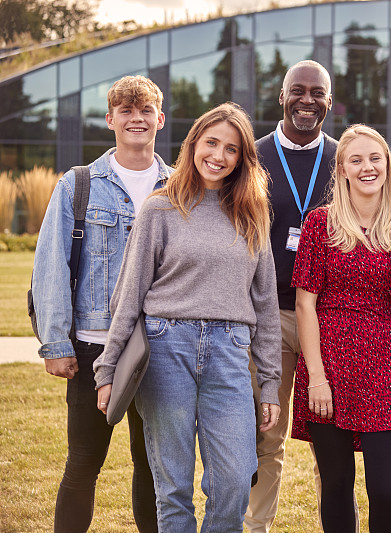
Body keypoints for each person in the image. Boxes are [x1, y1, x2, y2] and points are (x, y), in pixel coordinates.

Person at [93, 102, 282, 531]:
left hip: (230, 351)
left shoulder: (253, 213)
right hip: (165, 348)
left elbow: (266, 304)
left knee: (235, 479)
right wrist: (108, 368)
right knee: (173, 487)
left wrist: (270, 384)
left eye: (231, 149)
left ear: (242, 158)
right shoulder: (160, 209)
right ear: (193, 142)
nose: (218, 155)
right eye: (211, 142)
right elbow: (129, 294)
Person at [32, 75, 168, 533]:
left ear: (160, 120)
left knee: (153, 468)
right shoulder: (79, 185)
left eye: (145, 110)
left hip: (163, 347)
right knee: (83, 463)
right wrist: (56, 343)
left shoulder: (178, 186)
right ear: (110, 119)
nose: (136, 118)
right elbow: (49, 264)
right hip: (95, 347)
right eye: (126, 111)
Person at [291, 124, 391, 533]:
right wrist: (316, 378)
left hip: (383, 365)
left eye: (375, 158)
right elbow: (304, 304)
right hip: (329, 364)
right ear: (343, 170)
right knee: (336, 484)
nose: (367, 167)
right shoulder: (321, 225)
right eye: (357, 159)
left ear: (388, 166)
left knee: (387, 490)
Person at [245, 59, 342, 533]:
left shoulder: (347, 160)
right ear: (282, 96)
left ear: (329, 100)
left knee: (334, 440)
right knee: (267, 435)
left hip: (329, 318)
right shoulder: (252, 156)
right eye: (298, 91)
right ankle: (254, 526)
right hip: (267, 316)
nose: (308, 100)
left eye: (317, 93)